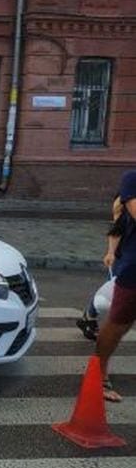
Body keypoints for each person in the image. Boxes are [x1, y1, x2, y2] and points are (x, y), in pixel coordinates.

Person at [96, 171, 136, 402]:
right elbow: (119, 224)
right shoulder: (131, 179)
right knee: (119, 323)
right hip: (133, 268)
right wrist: (111, 251)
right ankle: (99, 374)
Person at [77, 195, 125, 339]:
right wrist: (111, 253)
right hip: (126, 254)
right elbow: (117, 229)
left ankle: (89, 317)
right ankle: (89, 317)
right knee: (113, 288)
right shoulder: (126, 199)